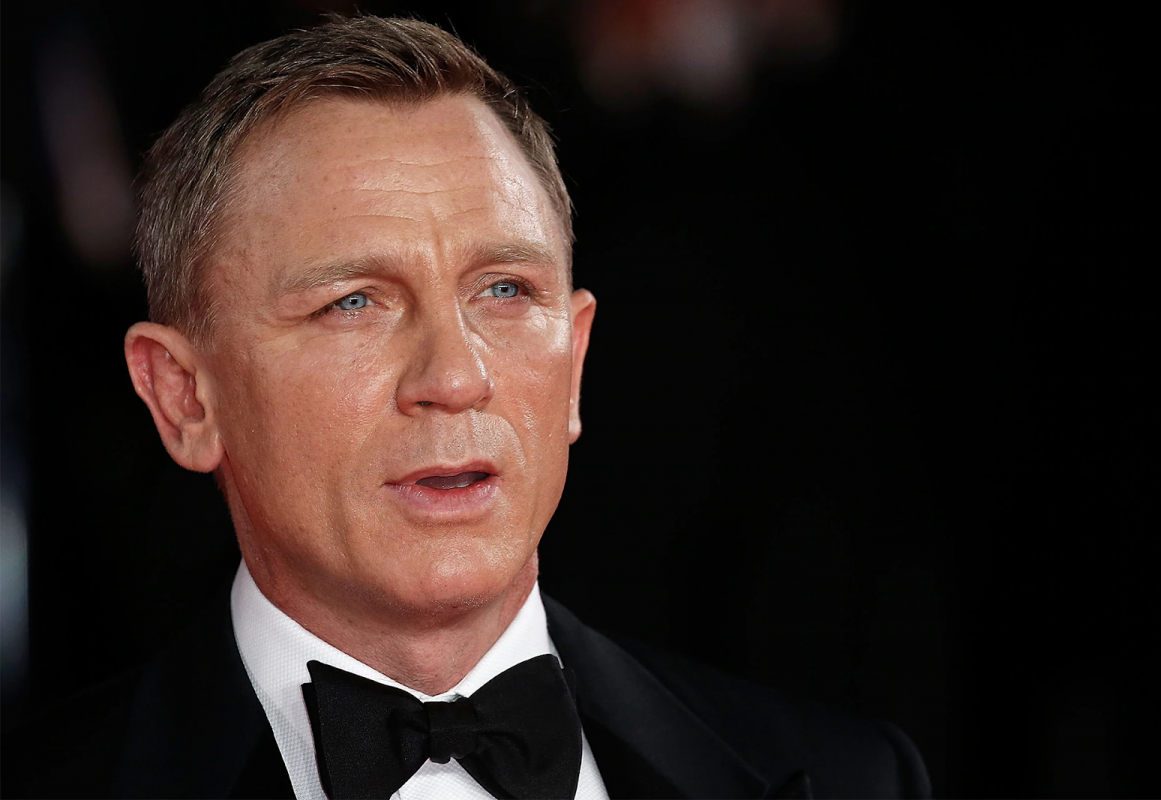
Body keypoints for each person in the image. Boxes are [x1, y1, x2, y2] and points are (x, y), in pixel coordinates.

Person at [5, 16, 930, 800]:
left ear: (575, 365)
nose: (454, 377)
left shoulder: (851, 778)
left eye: (504, 291)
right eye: (353, 303)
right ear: (184, 397)